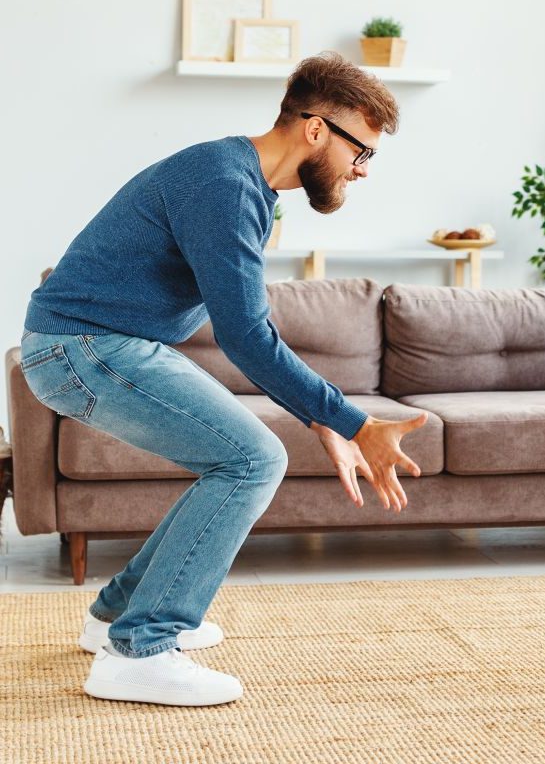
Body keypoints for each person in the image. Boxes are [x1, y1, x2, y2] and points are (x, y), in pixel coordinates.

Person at [19, 52, 426, 705]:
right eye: (364, 152)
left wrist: (319, 415)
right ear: (316, 129)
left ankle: (113, 619)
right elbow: (245, 336)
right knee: (252, 458)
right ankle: (141, 648)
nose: (362, 171)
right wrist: (354, 420)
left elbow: (248, 324)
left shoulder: (245, 187)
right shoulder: (224, 184)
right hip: (82, 346)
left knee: (241, 457)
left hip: (91, 346)